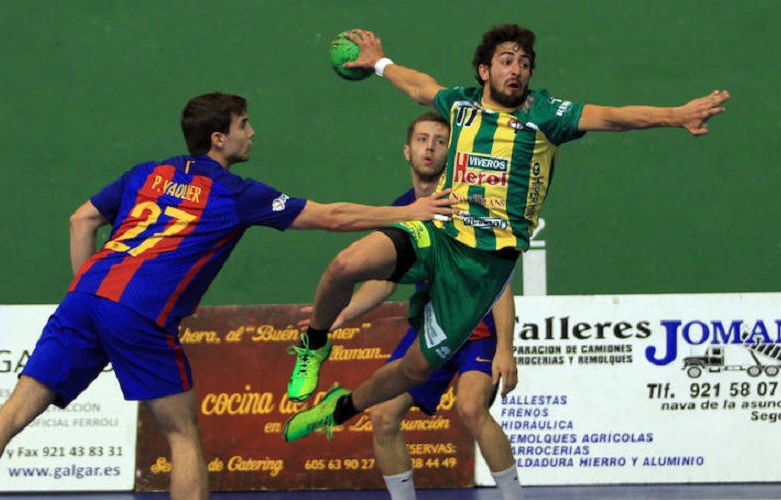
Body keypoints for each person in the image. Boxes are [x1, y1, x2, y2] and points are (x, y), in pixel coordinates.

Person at [283, 21, 728, 460]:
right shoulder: (460, 104)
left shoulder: (546, 115)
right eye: (506, 60)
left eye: (525, 63)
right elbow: (420, 87)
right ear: (484, 70)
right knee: (345, 264)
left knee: (416, 368)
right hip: (440, 229)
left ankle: (338, 408)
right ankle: (315, 345)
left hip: (483, 265)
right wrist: (379, 62)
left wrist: (676, 115)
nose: (516, 69)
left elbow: (613, 117)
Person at [0, 92, 456, 500]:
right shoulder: (233, 192)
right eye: (244, 125)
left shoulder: (146, 172)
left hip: (84, 296)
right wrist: (408, 212)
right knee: (183, 436)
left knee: (13, 413)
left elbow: (80, 220)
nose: (252, 132)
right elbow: (331, 216)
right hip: (140, 311)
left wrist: (88, 293)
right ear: (218, 139)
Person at [325, 112, 523, 500]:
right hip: (430, 329)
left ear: (452, 153)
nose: (429, 147)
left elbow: (500, 284)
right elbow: (384, 280)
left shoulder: (468, 205)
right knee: (382, 416)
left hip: (476, 330)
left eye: (439, 140)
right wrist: (346, 311)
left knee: (470, 408)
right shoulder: (401, 212)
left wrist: (505, 348)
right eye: (421, 139)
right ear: (407, 150)